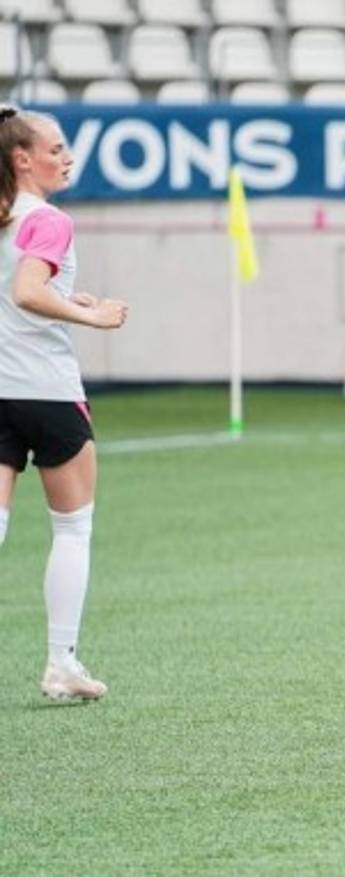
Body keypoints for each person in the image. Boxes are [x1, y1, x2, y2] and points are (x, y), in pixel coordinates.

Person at [0, 107, 129, 700]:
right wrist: (90, 315)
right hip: (47, 393)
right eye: (54, 148)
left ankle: (64, 666)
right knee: (73, 529)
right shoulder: (48, 219)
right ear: (21, 159)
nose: (66, 156)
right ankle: (61, 664)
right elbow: (26, 293)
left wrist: (58, 296)